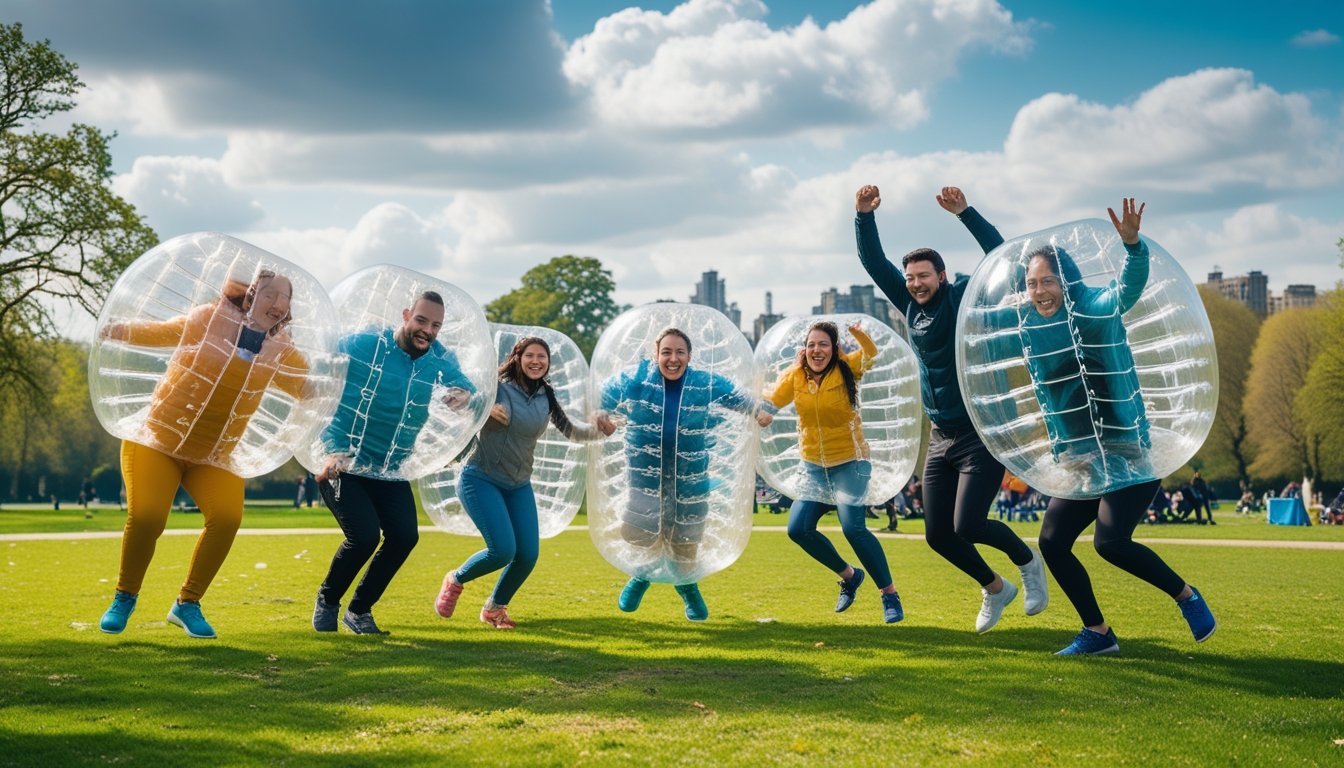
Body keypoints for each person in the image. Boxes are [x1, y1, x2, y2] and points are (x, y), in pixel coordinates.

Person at [976, 198, 1216, 655]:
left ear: (1065, 280)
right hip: (1081, 455)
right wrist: (968, 215)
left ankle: (1187, 597)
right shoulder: (1027, 320)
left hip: (1127, 450)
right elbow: (1000, 261)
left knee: (1110, 542)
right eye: (1032, 283)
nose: (1039, 290)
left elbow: (1128, 289)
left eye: (1048, 280)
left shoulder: (1094, 306)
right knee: (1052, 541)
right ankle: (1098, 633)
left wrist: (1133, 247)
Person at [854, 184, 1047, 633]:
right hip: (941, 436)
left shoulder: (962, 298)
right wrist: (863, 216)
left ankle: (1028, 562)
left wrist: (966, 213)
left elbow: (1000, 258)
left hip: (979, 431)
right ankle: (996, 588)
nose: (916, 283)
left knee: (970, 525)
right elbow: (872, 263)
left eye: (924, 275)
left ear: (941, 275)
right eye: (911, 278)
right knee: (938, 535)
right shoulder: (907, 303)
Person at [98, 269, 310, 639]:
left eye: (285, 298)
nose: (277, 304)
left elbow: (309, 389)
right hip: (158, 442)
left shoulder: (281, 350)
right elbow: (164, 332)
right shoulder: (208, 320)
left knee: (227, 518)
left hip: (214, 456)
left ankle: (187, 603)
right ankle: (125, 596)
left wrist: (344, 387)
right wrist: (115, 328)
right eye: (269, 294)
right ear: (249, 295)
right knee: (148, 517)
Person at [313, 290, 475, 636]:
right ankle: (328, 599)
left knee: (404, 537)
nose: (427, 331)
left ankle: (359, 611)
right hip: (345, 460)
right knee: (365, 536)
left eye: (435, 325)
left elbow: (466, 387)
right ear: (405, 315)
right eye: (421, 320)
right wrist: (328, 449)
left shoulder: (439, 357)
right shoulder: (364, 345)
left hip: (390, 468)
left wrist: (463, 394)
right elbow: (319, 368)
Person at [594, 327, 772, 621]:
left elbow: (737, 397)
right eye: (666, 352)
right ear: (656, 355)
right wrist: (600, 414)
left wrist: (757, 410)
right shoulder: (636, 381)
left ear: (690, 356)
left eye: (680, 352)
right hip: (644, 475)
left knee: (686, 541)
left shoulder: (703, 382)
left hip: (691, 476)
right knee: (639, 532)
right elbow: (602, 399)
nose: (673, 358)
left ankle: (689, 592)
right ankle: (642, 576)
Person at [435, 336, 602, 629]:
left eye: (542, 357)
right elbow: (450, 400)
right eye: (530, 356)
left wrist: (600, 430)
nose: (536, 361)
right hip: (480, 478)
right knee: (502, 550)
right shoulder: (496, 387)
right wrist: (482, 408)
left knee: (527, 555)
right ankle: (456, 579)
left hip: (518, 485)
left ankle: (494, 610)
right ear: (518, 357)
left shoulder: (545, 396)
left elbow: (572, 431)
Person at [766, 321, 904, 623]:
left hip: (850, 463)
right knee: (798, 529)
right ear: (805, 349)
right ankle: (850, 576)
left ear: (834, 348)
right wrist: (764, 413)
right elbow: (772, 401)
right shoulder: (795, 377)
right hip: (813, 467)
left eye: (824, 344)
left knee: (852, 528)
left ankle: (889, 595)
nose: (817, 350)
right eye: (812, 345)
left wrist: (859, 335)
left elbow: (872, 354)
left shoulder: (847, 368)